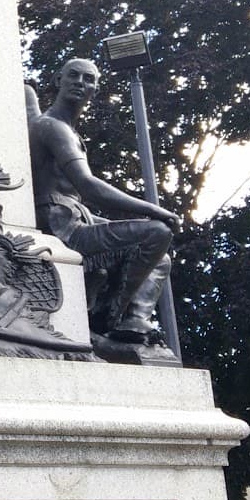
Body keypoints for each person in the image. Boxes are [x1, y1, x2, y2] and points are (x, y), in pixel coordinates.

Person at [28, 56, 181, 344]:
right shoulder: (52, 127)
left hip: (74, 218)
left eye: (88, 79)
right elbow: (88, 187)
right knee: (157, 232)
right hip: (59, 226)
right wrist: (154, 210)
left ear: (95, 91)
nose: (80, 82)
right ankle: (106, 318)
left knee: (161, 259)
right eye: (73, 75)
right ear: (58, 80)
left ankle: (134, 322)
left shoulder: (66, 129)